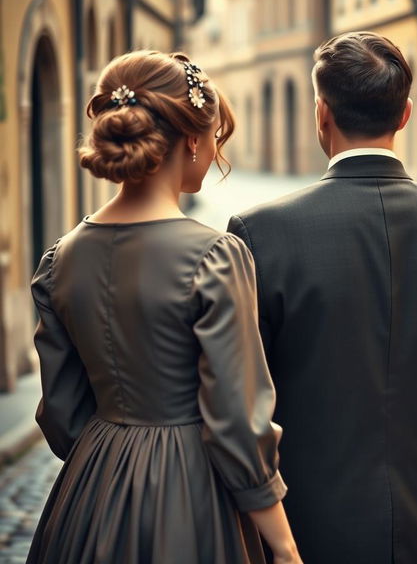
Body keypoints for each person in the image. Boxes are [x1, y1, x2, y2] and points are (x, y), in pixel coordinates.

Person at [227, 32, 417, 564]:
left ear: (321, 114)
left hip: (306, 526)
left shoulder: (259, 233)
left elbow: (246, 398)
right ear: (405, 115)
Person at [27, 50, 301, 564]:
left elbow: (62, 414)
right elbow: (237, 424)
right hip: (190, 494)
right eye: (217, 137)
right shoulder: (215, 256)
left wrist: (111, 455)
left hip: (88, 494)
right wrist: (285, 550)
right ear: (193, 140)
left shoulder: (60, 259)